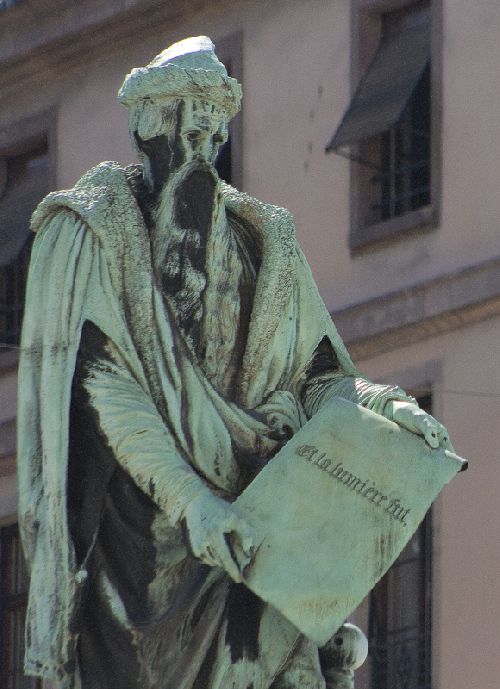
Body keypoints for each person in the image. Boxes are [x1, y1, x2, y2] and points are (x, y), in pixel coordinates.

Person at [17, 36, 451, 689]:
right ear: (145, 127)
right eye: (187, 132)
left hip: (254, 527)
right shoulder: (95, 229)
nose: (202, 152)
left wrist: (390, 409)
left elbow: (321, 376)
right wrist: (194, 504)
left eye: (213, 137)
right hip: (147, 549)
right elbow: (105, 385)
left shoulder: (262, 242)